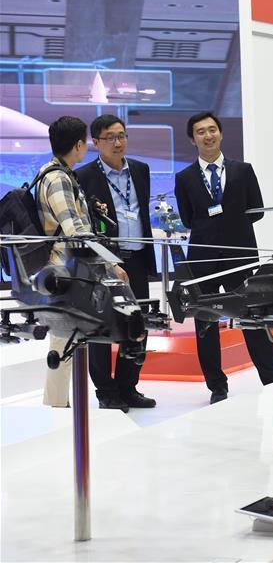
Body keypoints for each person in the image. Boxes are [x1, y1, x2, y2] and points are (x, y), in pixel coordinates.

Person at [174, 111, 273, 404]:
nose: (208, 136)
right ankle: (217, 386)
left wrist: (231, 228)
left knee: (252, 318)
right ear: (192, 140)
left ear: (220, 133)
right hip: (202, 258)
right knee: (205, 323)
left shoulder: (243, 170)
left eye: (212, 129)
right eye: (201, 132)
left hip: (240, 255)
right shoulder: (184, 178)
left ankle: (271, 379)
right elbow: (188, 219)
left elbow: (256, 210)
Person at [37, 116, 125, 407]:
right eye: (85, 142)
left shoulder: (55, 173)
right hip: (64, 271)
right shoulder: (58, 179)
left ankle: (58, 406)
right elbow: (77, 233)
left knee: (65, 341)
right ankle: (56, 408)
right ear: (78, 144)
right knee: (63, 342)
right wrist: (110, 265)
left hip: (64, 271)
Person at [75, 115, 157, 411]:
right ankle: (106, 392)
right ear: (96, 142)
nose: (118, 142)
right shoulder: (83, 176)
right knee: (102, 326)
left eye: (122, 135)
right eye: (110, 137)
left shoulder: (140, 169)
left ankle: (128, 387)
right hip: (105, 263)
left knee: (138, 324)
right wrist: (104, 262)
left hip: (137, 258)